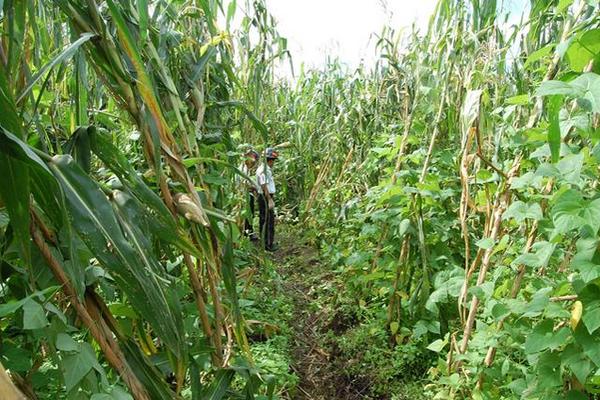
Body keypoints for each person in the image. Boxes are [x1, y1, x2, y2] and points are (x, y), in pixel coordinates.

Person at [256, 148, 278, 251]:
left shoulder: (265, 169)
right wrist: (269, 199)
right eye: (273, 160)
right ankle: (267, 245)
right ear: (270, 160)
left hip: (265, 196)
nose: (273, 162)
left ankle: (267, 243)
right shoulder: (263, 170)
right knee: (267, 220)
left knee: (267, 219)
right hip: (265, 197)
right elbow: (263, 185)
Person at [239, 149, 259, 239]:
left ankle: (248, 232)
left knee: (250, 214)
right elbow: (243, 184)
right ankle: (248, 233)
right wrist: (253, 188)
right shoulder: (242, 169)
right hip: (243, 195)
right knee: (248, 214)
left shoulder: (246, 169)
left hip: (246, 194)